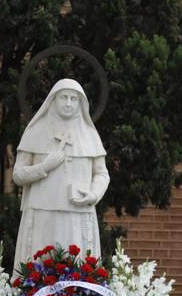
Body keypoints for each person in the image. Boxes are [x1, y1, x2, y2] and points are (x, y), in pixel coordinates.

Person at [12, 78, 109, 274]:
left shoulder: (90, 134)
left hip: (77, 212)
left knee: (77, 267)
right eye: (63, 98)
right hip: (42, 212)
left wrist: (93, 195)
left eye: (74, 99)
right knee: (39, 265)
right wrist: (43, 167)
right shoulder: (35, 131)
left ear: (81, 103)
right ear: (53, 100)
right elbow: (18, 175)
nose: (68, 103)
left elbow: (101, 173)